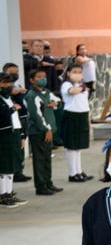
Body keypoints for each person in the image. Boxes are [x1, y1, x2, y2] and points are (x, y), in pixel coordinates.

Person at [25, 67, 62, 196]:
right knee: (40, 159)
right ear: (32, 80)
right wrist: (46, 129)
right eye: (39, 77)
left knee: (47, 158)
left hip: (48, 130)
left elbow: (57, 100)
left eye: (44, 76)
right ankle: (41, 186)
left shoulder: (46, 92)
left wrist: (55, 103)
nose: (43, 79)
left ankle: (48, 183)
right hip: (39, 131)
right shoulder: (32, 95)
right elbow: (36, 116)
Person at [61, 62, 94, 183]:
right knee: (71, 146)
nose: (77, 74)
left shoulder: (81, 84)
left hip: (82, 115)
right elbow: (72, 91)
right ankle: (72, 173)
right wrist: (83, 88)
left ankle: (79, 171)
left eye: (80, 72)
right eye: (74, 72)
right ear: (68, 73)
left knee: (78, 146)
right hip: (72, 115)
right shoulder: (66, 84)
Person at [0, 74, 26, 208]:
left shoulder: (10, 98)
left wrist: (21, 135)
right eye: (4, 83)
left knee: (11, 166)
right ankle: (3, 195)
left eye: (10, 83)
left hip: (14, 133)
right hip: (4, 135)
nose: (8, 86)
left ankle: (9, 193)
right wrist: (13, 108)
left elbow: (18, 117)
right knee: (4, 166)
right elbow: (3, 115)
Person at [2, 62, 30, 183]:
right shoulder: (7, 90)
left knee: (20, 146)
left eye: (16, 72)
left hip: (21, 119)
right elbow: (14, 91)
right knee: (13, 151)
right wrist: (19, 90)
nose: (15, 74)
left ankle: (19, 171)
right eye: (12, 72)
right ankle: (15, 173)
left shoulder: (16, 86)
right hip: (11, 122)